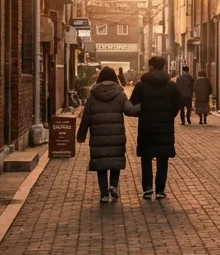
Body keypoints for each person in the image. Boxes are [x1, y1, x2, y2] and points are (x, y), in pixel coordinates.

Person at [126, 56, 182, 200]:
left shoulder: (141, 85)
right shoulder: (171, 85)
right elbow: (178, 104)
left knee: (146, 158)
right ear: (163, 67)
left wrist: (143, 112)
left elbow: (133, 103)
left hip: (146, 126)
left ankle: (147, 189)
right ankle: (160, 190)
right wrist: (169, 116)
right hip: (165, 128)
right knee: (163, 159)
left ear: (150, 67)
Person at [76, 67, 126, 204]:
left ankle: (104, 194)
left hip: (98, 136)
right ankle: (113, 186)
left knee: (101, 164)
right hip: (116, 135)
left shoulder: (92, 96)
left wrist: (81, 135)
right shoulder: (120, 94)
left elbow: (86, 117)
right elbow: (129, 109)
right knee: (115, 161)